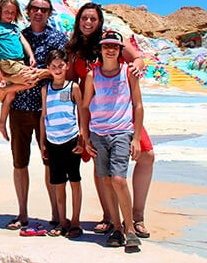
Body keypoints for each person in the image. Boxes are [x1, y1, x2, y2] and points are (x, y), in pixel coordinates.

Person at [65, 2, 153, 239]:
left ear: (99, 21)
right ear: (78, 21)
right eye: (84, 18)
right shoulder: (73, 49)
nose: (88, 23)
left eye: (93, 19)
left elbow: (138, 59)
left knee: (147, 155)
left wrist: (135, 66)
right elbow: (72, 80)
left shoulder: (109, 42)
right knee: (99, 164)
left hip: (119, 107)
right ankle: (109, 216)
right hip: (94, 110)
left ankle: (137, 216)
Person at [5, 0, 68, 230]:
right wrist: (17, 79)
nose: (39, 13)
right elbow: (4, 67)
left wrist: (42, 74)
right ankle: (22, 214)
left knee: (50, 162)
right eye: (35, 8)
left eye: (44, 9)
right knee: (19, 162)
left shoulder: (59, 38)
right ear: (28, 11)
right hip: (20, 107)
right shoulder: (16, 36)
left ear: (50, 13)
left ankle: (55, 214)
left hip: (48, 109)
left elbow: (64, 71)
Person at [81, 30, 144, 250]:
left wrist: (136, 138)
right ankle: (116, 227)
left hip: (121, 132)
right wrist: (85, 135)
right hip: (98, 133)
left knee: (118, 179)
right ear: (100, 49)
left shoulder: (128, 73)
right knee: (106, 179)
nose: (110, 50)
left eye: (115, 47)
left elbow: (137, 105)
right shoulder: (92, 75)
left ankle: (130, 228)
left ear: (120, 50)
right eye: (106, 46)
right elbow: (85, 106)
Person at [39, 49, 84, 238]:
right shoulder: (45, 89)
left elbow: (81, 112)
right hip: (52, 141)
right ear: (48, 68)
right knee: (58, 183)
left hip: (72, 139)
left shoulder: (73, 87)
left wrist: (83, 136)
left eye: (60, 66)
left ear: (67, 66)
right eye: (53, 66)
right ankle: (62, 221)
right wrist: (42, 142)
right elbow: (44, 116)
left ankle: (75, 221)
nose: (57, 69)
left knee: (74, 181)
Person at [0, 0, 36, 141]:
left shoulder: (15, 28)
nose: (9, 15)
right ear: (0, 11)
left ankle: (1, 123)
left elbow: (24, 42)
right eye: (6, 12)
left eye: (12, 12)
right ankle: (3, 88)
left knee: (11, 96)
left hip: (20, 62)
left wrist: (31, 55)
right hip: (8, 63)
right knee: (30, 80)